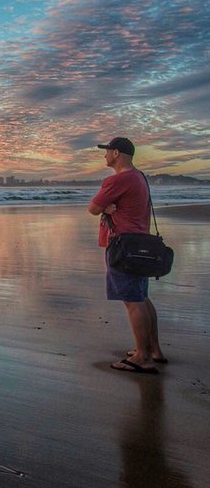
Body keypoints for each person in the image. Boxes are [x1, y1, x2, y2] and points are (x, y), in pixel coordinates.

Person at [87, 137, 165, 374]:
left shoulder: (118, 180)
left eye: (107, 151)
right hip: (139, 244)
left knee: (133, 300)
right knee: (141, 297)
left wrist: (104, 206)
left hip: (123, 246)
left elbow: (93, 207)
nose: (105, 155)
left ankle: (142, 357)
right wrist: (107, 206)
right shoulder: (139, 177)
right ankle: (153, 350)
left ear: (117, 153)